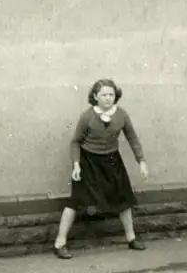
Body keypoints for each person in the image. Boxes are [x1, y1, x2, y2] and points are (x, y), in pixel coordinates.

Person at [52, 79, 149, 259]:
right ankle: (60, 242)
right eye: (104, 95)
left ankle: (131, 239)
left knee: (124, 199)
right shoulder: (87, 116)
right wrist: (76, 164)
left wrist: (141, 161)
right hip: (88, 162)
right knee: (76, 201)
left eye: (111, 94)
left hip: (112, 161)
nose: (108, 98)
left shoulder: (121, 115)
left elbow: (132, 138)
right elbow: (75, 142)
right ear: (95, 96)